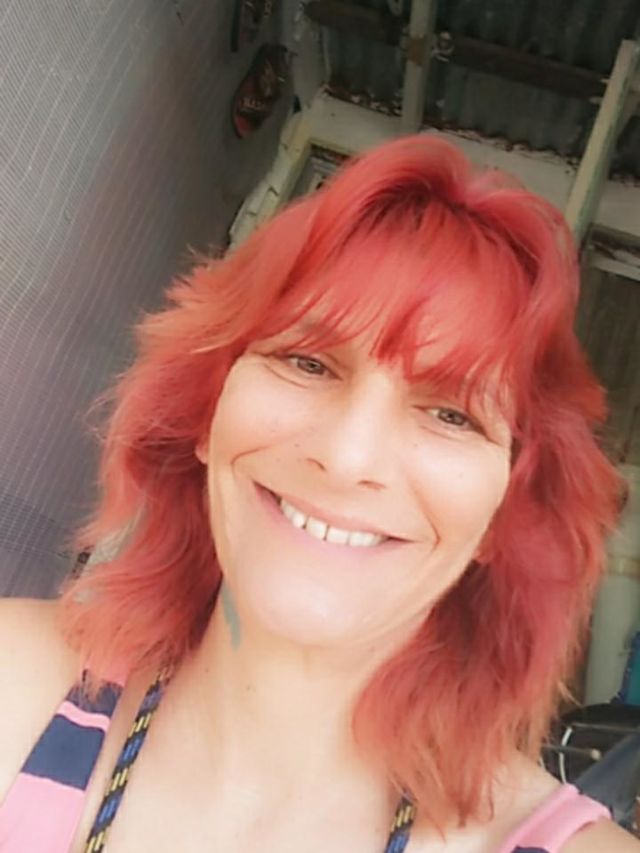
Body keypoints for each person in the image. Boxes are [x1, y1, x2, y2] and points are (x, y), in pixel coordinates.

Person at [0, 135, 637, 853]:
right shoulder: (12, 688)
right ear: (207, 411)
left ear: (503, 517)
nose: (345, 457)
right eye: (307, 362)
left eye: (451, 414)